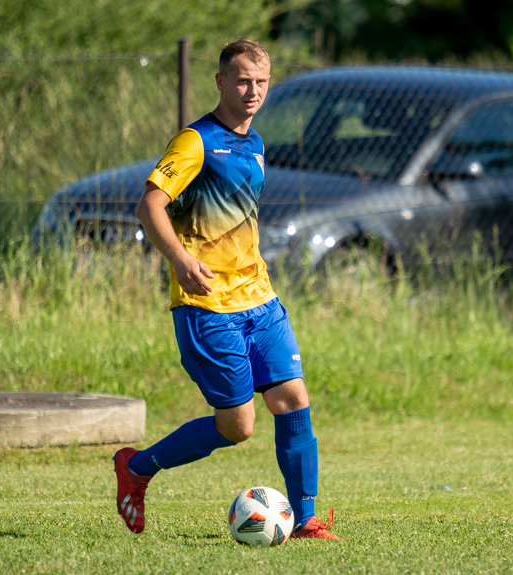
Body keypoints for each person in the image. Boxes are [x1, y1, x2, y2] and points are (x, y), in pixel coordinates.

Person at [112, 39, 342, 541]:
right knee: (238, 426)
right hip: (207, 306)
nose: (253, 91)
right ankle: (138, 466)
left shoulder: (256, 143)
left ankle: (305, 522)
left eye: (261, 82)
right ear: (220, 82)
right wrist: (180, 258)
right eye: (242, 81)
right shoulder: (195, 142)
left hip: (259, 299)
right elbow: (150, 205)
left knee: (293, 398)